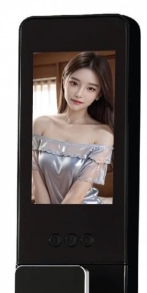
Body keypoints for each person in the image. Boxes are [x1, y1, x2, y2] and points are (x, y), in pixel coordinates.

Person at [32, 52, 114, 204]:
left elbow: (76, 197)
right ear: (64, 80)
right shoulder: (40, 124)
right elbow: (37, 187)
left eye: (91, 88)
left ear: (99, 94)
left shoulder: (103, 134)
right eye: (74, 83)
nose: (79, 94)